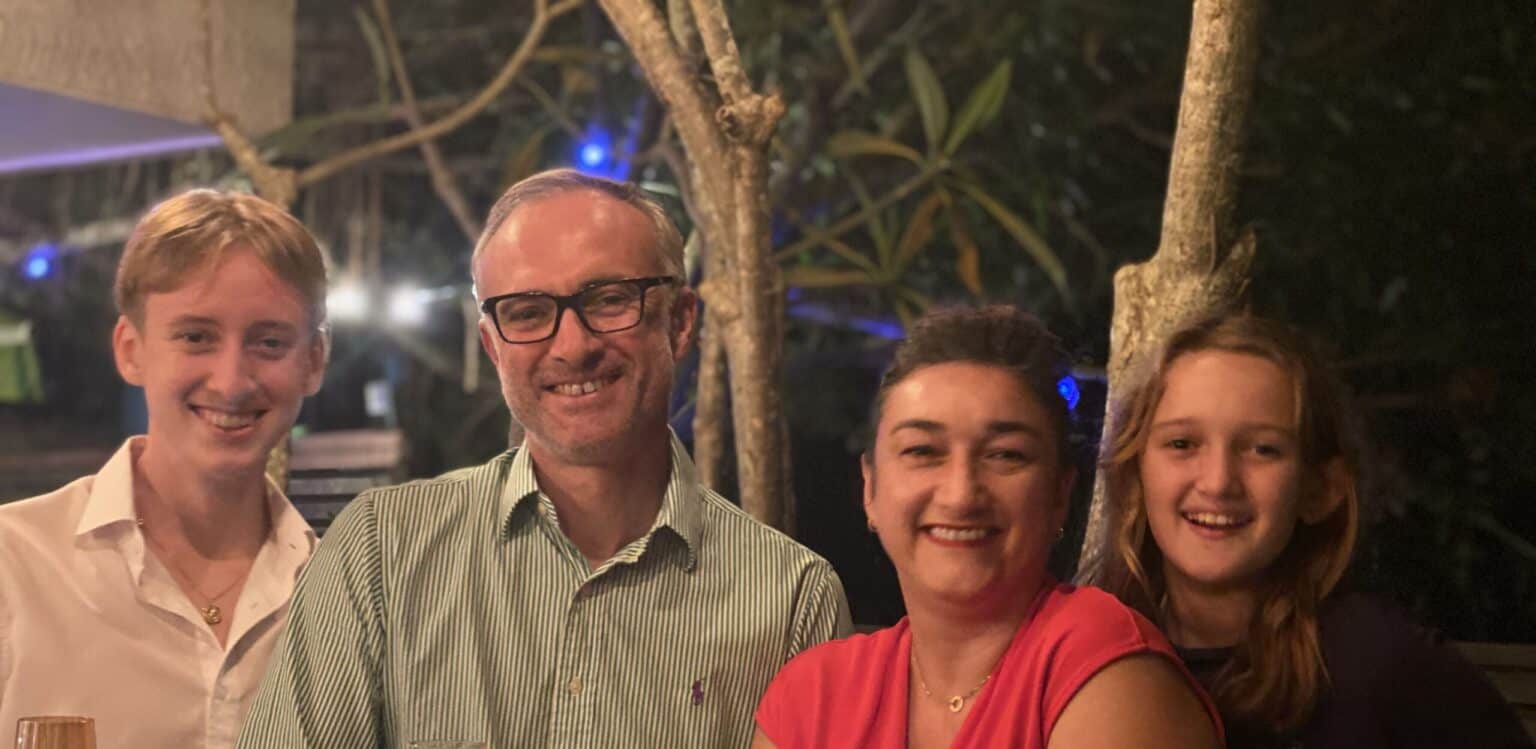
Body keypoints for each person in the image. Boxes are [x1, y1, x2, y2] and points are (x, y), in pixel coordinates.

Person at [238, 169, 852, 747]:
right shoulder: (383, 552)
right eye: (528, 313)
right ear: (493, 347)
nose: (573, 345)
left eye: (609, 300)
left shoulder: (789, 600)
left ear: (680, 321)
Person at [754, 306, 1222, 748]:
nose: (960, 494)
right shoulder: (814, 694)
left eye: (1005, 455)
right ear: (870, 488)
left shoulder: (1105, 670)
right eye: (922, 451)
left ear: (1060, 494)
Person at [1089, 314, 1533, 748]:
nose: (1218, 482)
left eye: (1263, 449)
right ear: (1134, 474)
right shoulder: (1094, 651)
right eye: (1182, 444)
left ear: (1320, 490)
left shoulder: (1375, 660)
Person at [0, 189, 330, 748]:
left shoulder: (342, 594)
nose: (231, 381)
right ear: (130, 349)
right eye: (196, 337)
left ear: (313, 363)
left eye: (269, 342)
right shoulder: (15, 566)